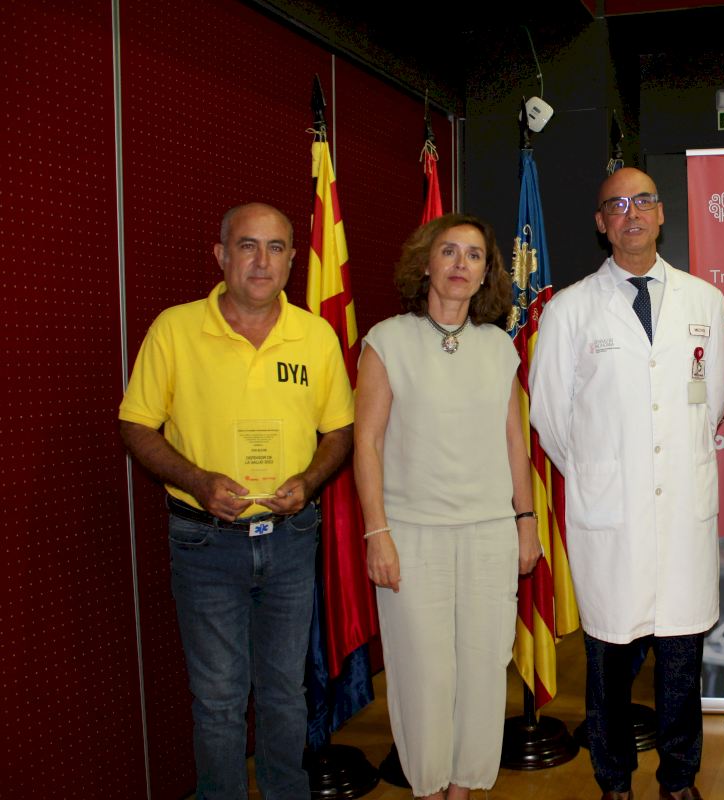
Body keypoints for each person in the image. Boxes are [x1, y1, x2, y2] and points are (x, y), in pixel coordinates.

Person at [118, 203, 355, 799]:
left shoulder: (316, 335)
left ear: (293, 260)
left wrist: (310, 480)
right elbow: (136, 425)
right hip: (205, 543)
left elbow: (339, 431)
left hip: (291, 541)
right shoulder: (175, 329)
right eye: (248, 246)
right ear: (222, 256)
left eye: (276, 248)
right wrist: (198, 480)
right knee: (219, 700)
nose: (261, 261)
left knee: (285, 694)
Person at [529, 167, 724, 800]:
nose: (631, 213)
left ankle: (679, 779)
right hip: (610, 515)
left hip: (682, 510)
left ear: (661, 213)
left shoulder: (705, 301)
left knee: (681, 656)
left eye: (643, 200)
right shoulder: (568, 309)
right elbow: (549, 415)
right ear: (601, 223)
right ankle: (614, 780)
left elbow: (712, 400)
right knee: (610, 659)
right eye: (616, 205)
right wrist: (601, 474)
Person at [354, 213, 541, 800]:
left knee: (484, 669)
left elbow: (514, 442)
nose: (462, 264)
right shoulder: (388, 340)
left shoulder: (498, 347)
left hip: (489, 533)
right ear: (426, 263)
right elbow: (367, 442)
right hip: (412, 536)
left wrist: (527, 522)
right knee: (424, 675)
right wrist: (377, 533)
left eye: (475, 255)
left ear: (487, 273)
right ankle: (430, 789)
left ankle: (462, 791)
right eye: (450, 251)